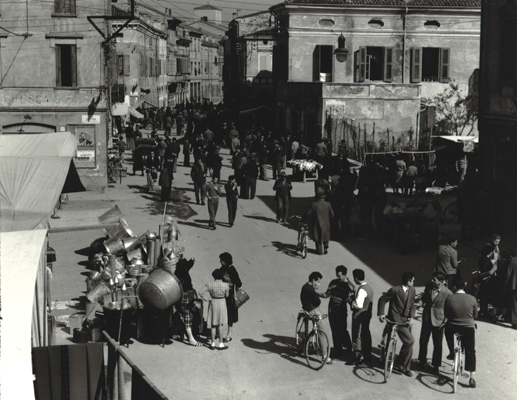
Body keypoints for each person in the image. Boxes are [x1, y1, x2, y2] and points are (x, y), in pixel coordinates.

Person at [377, 272, 417, 377]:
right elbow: (382, 300)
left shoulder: (412, 290)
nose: (414, 282)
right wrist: (381, 314)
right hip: (394, 319)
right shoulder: (394, 290)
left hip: (406, 321)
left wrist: (412, 317)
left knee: (409, 341)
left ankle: (404, 366)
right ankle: (387, 359)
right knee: (405, 340)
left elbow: (412, 304)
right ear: (408, 281)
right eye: (413, 280)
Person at [444, 277, 478, 388]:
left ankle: (451, 352)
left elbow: (447, 314)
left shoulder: (450, 298)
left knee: (447, 331)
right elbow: (475, 315)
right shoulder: (472, 299)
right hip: (468, 327)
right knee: (470, 350)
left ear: (454, 287)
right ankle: (472, 376)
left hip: (453, 326)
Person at [418, 272, 452, 375]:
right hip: (427, 318)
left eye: (435, 280)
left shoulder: (448, 293)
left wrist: (446, 319)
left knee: (437, 344)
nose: (432, 281)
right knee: (423, 340)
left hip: (439, 321)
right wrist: (419, 303)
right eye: (433, 279)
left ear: (441, 281)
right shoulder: (429, 287)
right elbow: (424, 298)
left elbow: (449, 309)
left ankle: (436, 365)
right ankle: (421, 361)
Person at [300, 272, 332, 365]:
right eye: (318, 282)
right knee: (323, 329)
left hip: (307, 309)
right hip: (312, 310)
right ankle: (325, 356)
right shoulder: (310, 290)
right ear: (313, 281)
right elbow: (317, 302)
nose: (319, 284)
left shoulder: (305, 287)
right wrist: (316, 294)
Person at [325, 265, 355, 358]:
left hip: (341, 309)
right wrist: (316, 294)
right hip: (331, 308)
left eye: (339, 276)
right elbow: (327, 294)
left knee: (342, 328)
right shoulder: (333, 282)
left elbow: (351, 300)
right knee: (334, 329)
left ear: (345, 275)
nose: (338, 278)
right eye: (337, 275)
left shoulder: (350, 286)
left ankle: (348, 346)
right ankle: (338, 349)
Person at [348, 269, 374, 366]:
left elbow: (358, 304)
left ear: (356, 278)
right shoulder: (369, 288)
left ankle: (357, 357)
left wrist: (350, 301)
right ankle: (367, 355)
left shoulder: (362, 290)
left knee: (357, 336)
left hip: (359, 316)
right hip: (367, 315)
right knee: (365, 334)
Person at [199, 269, 230, 350]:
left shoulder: (210, 285)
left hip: (213, 302)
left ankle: (212, 343)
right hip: (222, 303)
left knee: (213, 325)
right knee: (220, 324)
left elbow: (200, 292)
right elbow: (227, 295)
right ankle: (220, 344)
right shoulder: (225, 285)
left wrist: (207, 298)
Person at [174, 258, 201, 346]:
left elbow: (189, 264)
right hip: (187, 296)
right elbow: (189, 265)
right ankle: (191, 338)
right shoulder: (184, 272)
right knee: (188, 315)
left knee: (182, 314)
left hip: (179, 295)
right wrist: (192, 260)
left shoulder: (176, 273)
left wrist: (192, 260)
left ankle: (182, 333)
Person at [219, 252, 242, 342]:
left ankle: (229, 334)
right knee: (222, 313)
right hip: (223, 293)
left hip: (230, 295)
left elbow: (239, 283)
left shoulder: (232, 270)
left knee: (230, 314)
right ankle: (220, 332)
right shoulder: (222, 269)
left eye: (221, 260)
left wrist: (230, 285)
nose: (220, 262)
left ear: (225, 261)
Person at [310, 187, 334, 255]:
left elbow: (311, 214)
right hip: (326, 224)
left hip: (317, 223)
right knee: (326, 236)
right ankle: (326, 247)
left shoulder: (314, 204)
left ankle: (319, 251)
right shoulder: (328, 204)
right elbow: (332, 214)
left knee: (318, 238)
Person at [504, 251, 517, 329]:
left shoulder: (513, 260)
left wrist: (505, 284)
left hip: (515, 286)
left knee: (515, 303)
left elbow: (508, 273)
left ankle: (515, 322)